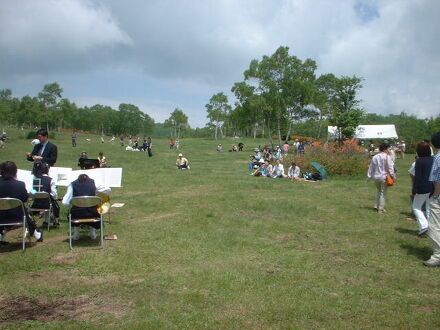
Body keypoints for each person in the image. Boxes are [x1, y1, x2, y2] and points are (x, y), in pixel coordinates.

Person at [0, 161, 43, 243]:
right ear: (15, 172)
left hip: (1, 216)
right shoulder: (20, 184)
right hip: (17, 216)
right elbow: (24, 199)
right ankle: (36, 234)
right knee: (26, 214)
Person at [62, 174, 111, 240]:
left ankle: (76, 232)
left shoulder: (72, 184)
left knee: (74, 211)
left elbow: (65, 202)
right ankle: (92, 232)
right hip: (93, 214)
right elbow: (108, 190)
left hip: (76, 215)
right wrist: (96, 192)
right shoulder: (95, 182)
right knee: (94, 209)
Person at [423, 132, 440, 266]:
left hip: (439, 196)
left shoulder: (438, 158)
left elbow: (437, 180)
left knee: (434, 226)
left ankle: (437, 256)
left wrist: (435, 196)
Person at [412, 141, 434, 236]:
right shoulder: (433, 159)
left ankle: (424, 226)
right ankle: (432, 228)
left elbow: (418, 176)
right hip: (432, 186)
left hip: (422, 187)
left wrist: (414, 188)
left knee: (416, 207)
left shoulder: (419, 161)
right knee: (429, 208)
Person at [367, 143, 395, 213]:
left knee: (379, 191)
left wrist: (369, 177)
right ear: (385, 149)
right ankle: (381, 208)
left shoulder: (375, 157)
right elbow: (391, 168)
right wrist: (393, 176)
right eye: (389, 149)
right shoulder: (387, 157)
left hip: (376, 177)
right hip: (384, 177)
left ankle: (376, 205)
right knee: (383, 193)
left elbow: (371, 168)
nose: (389, 150)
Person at [30, 161, 60, 227]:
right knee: (54, 204)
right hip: (47, 204)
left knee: (48, 201)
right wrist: (55, 198)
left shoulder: (33, 180)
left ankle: (46, 221)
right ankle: (56, 222)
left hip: (36, 204)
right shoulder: (50, 180)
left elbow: (31, 191)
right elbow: (54, 193)